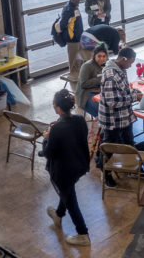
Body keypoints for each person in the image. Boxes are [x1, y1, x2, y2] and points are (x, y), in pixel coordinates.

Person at [43, 89, 90, 247]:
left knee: (71, 200)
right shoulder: (80, 120)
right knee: (68, 191)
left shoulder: (56, 129)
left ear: (57, 108)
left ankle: (83, 234)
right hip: (80, 164)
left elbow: (49, 153)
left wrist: (46, 139)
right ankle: (58, 215)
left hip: (64, 170)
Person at [98, 47, 141, 188]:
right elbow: (113, 102)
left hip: (124, 117)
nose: (131, 66)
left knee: (129, 142)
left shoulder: (121, 70)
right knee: (110, 148)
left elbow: (125, 90)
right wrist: (135, 97)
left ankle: (129, 168)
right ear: (124, 59)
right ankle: (106, 173)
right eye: (131, 62)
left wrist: (136, 92)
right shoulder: (110, 75)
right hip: (112, 120)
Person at [75, 43, 108, 117]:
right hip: (86, 95)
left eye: (104, 56)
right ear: (94, 56)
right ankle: (104, 123)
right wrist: (100, 79)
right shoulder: (87, 66)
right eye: (99, 56)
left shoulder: (106, 64)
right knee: (102, 109)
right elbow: (83, 84)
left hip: (100, 92)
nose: (102, 59)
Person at [60, 0, 84, 80]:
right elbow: (63, 24)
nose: (77, 0)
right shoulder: (68, 9)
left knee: (78, 58)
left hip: (78, 37)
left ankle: (78, 75)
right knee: (73, 59)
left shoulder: (74, 7)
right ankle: (73, 76)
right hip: (72, 38)